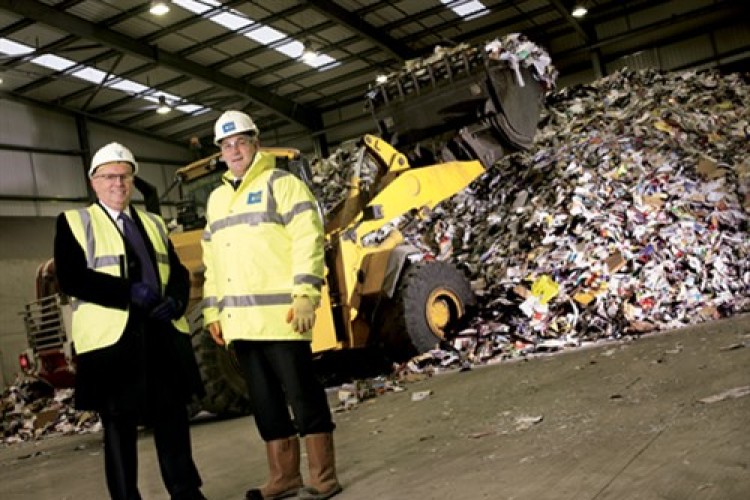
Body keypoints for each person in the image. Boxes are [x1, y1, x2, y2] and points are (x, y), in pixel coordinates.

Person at [202, 110, 342, 500]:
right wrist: (213, 311)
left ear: (255, 143)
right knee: (264, 402)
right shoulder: (216, 200)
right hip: (241, 325)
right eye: (226, 145)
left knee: (303, 395)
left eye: (240, 142)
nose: (234, 150)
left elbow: (308, 241)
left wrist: (305, 295)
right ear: (221, 153)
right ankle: (284, 476)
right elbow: (212, 261)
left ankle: (322, 475)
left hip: (283, 319)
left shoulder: (283, 185)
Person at [54, 142, 206, 500]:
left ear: (133, 180)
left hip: (161, 335)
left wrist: (177, 301)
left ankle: (186, 493)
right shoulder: (75, 222)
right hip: (113, 344)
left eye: (124, 176)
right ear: (94, 182)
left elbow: (179, 273)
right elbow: (72, 278)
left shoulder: (153, 223)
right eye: (109, 177)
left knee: (173, 420)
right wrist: (127, 292)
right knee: (119, 430)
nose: (118, 184)